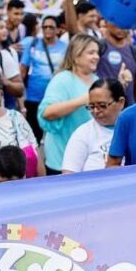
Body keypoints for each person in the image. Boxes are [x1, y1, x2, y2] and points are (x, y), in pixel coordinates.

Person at [39, 34, 102, 174]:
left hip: (89, 159)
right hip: (62, 159)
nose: (96, 56)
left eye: (97, 52)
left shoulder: (96, 80)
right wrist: (83, 100)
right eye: (91, 52)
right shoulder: (62, 80)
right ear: (76, 55)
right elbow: (47, 113)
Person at [62, 78, 126, 173]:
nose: (96, 111)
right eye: (91, 106)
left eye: (102, 105)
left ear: (121, 102)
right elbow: (68, 174)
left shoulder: (133, 129)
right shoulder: (83, 133)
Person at [20, 14, 67, 141]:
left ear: (58, 30)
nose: (47, 30)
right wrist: (20, 96)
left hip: (56, 97)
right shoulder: (33, 43)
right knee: (33, 134)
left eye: (51, 27)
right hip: (33, 96)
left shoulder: (65, 47)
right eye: (44, 27)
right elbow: (23, 69)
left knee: (54, 134)